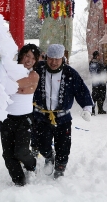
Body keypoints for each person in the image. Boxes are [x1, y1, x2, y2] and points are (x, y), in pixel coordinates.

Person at [33, 44, 93, 179]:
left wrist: (87, 108)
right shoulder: (38, 69)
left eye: (57, 59)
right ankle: (49, 156)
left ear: (63, 58)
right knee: (42, 144)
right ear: (46, 57)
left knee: (63, 145)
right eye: (51, 59)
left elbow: (81, 90)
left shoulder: (70, 73)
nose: (53, 62)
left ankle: (60, 168)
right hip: (41, 116)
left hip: (63, 117)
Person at [0, 44, 40, 186]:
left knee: (21, 152)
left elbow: (10, 85)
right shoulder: (8, 70)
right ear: (21, 55)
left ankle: (31, 164)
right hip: (6, 118)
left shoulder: (33, 75)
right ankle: (19, 181)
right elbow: (2, 85)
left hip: (24, 119)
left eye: (33, 58)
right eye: (27, 55)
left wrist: (4, 84)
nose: (29, 60)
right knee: (8, 155)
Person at [89, 51, 107, 115]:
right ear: (96, 56)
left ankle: (100, 110)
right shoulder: (93, 63)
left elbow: (102, 70)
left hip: (100, 81)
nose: (100, 57)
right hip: (97, 82)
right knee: (95, 96)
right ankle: (92, 110)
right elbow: (97, 72)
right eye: (99, 55)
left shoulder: (97, 63)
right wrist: (105, 68)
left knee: (101, 96)